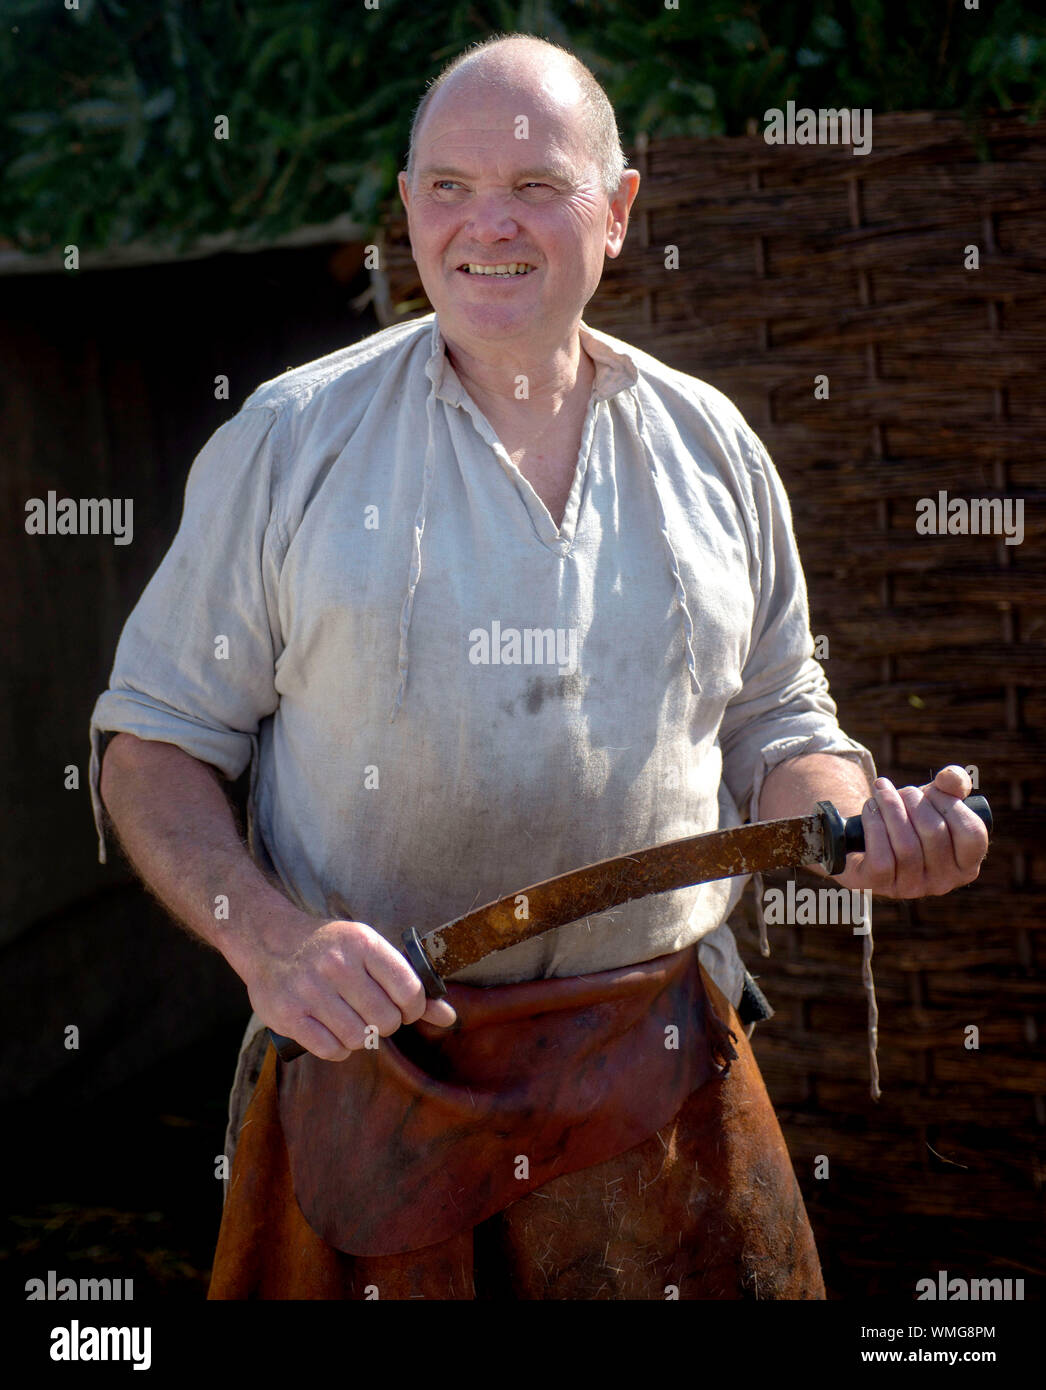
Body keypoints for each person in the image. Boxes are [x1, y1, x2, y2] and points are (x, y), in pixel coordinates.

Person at [90, 33, 988, 1300]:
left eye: (534, 185)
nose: (483, 225)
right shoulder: (291, 441)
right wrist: (273, 944)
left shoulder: (710, 448)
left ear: (617, 213)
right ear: (405, 211)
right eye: (447, 186)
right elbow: (156, 744)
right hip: (378, 1090)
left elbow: (781, 727)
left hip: (662, 1079)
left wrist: (863, 823)